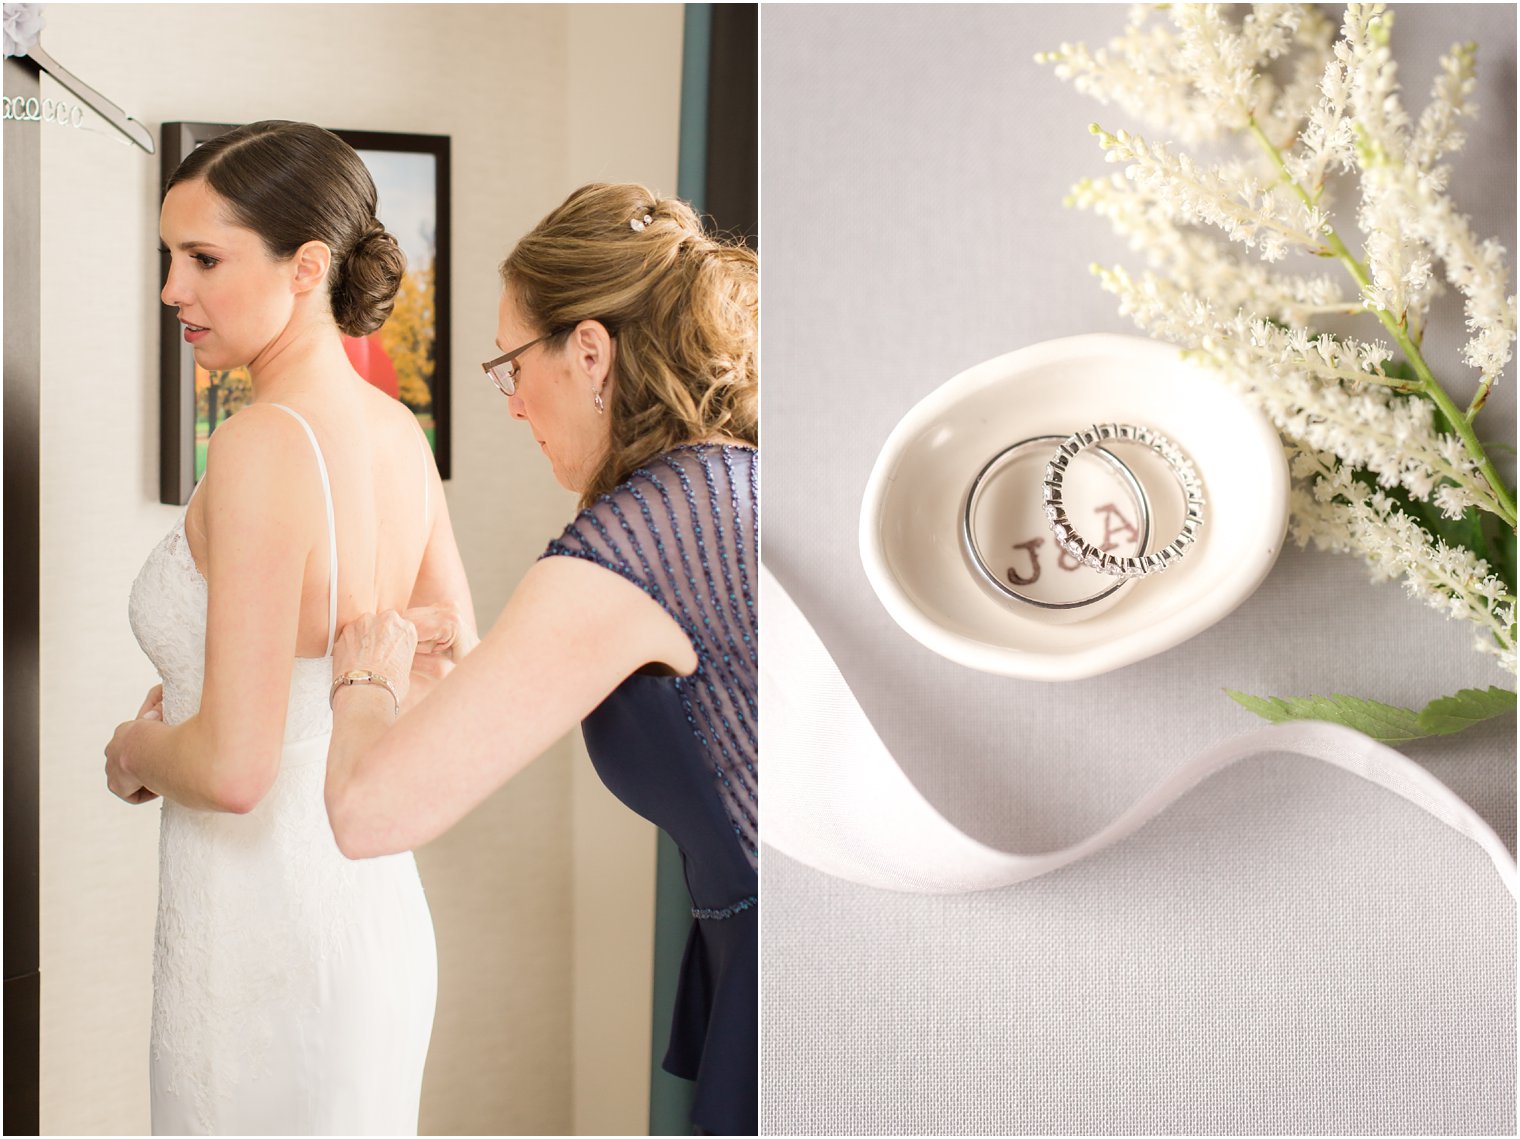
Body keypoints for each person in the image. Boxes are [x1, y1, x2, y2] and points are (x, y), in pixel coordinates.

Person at [324, 182, 759, 1136]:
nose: (513, 403)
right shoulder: (736, 478)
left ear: (591, 352)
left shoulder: (640, 541)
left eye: (512, 365)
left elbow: (368, 811)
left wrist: (367, 667)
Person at [104, 120, 469, 1135]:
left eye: (204, 259)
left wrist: (134, 748)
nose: (174, 288)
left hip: (260, 926)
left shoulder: (263, 441)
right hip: (370, 919)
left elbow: (232, 768)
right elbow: (459, 681)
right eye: (168, 258)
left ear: (307, 267)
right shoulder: (400, 434)